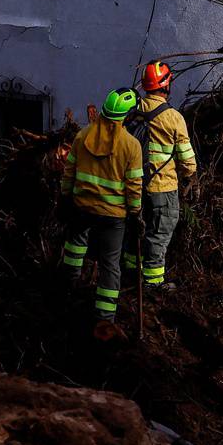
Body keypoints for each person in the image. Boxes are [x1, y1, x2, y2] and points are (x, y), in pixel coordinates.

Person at [58, 89, 145, 325]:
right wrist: (135, 215)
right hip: (113, 217)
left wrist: (65, 198)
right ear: (128, 115)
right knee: (110, 265)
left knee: (74, 250)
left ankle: (67, 291)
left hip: (81, 207)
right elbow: (134, 186)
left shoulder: (83, 136)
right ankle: (104, 319)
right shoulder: (131, 145)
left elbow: (69, 171)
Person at [124, 61, 197, 289]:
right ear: (166, 84)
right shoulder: (173, 117)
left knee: (134, 232)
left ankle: (129, 275)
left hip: (134, 186)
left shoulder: (134, 111)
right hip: (162, 189)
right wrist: (188, 175)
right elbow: (188, 161)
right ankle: (153, 283)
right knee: (158, 233)